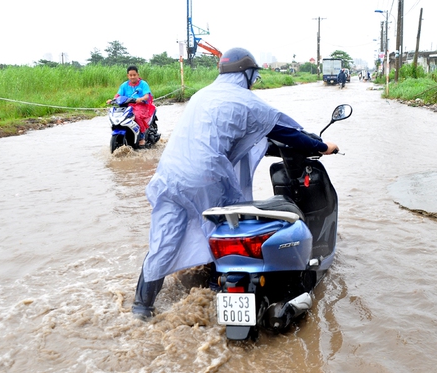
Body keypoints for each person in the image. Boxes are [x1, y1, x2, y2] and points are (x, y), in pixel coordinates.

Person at [131, 47, 339, 318]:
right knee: (225, 228)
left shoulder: (201, 95)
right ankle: (215, 289)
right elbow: (288, 132)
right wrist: (322, 146)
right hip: (206, 176)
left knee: (163, 241)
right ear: (247, 74)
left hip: (169, 176)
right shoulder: (247, 102)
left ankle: (141, 307)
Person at [107, 65, 155, 148]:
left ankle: (141, 136)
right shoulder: (124, 85)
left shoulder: (143, 84)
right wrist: (112, 100)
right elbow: (118, 95)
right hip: (127, 105)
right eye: (130, 75)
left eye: (134, 75)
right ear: (128, 75)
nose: (132, 77)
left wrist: (141, 99)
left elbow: (147, 95)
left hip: (141, 105)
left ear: (138, 75)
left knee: (137, 116)